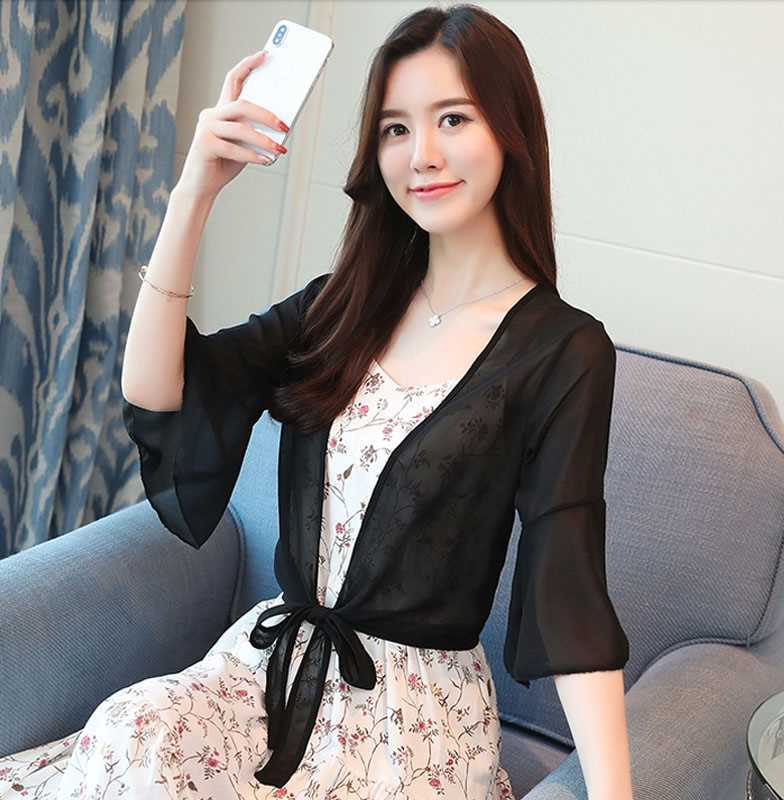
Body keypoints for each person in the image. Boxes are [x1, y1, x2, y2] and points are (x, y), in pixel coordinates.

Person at [0, 4, 633, 799]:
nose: (423, 154)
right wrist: (195, 189)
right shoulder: (341, 305)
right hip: (265, 673)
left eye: (453, 118)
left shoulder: (563, 350)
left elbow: (569, 588)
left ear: (511, 131)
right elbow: (159, 391)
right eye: (396, 128)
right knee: (135, 733)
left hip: (408, 724)